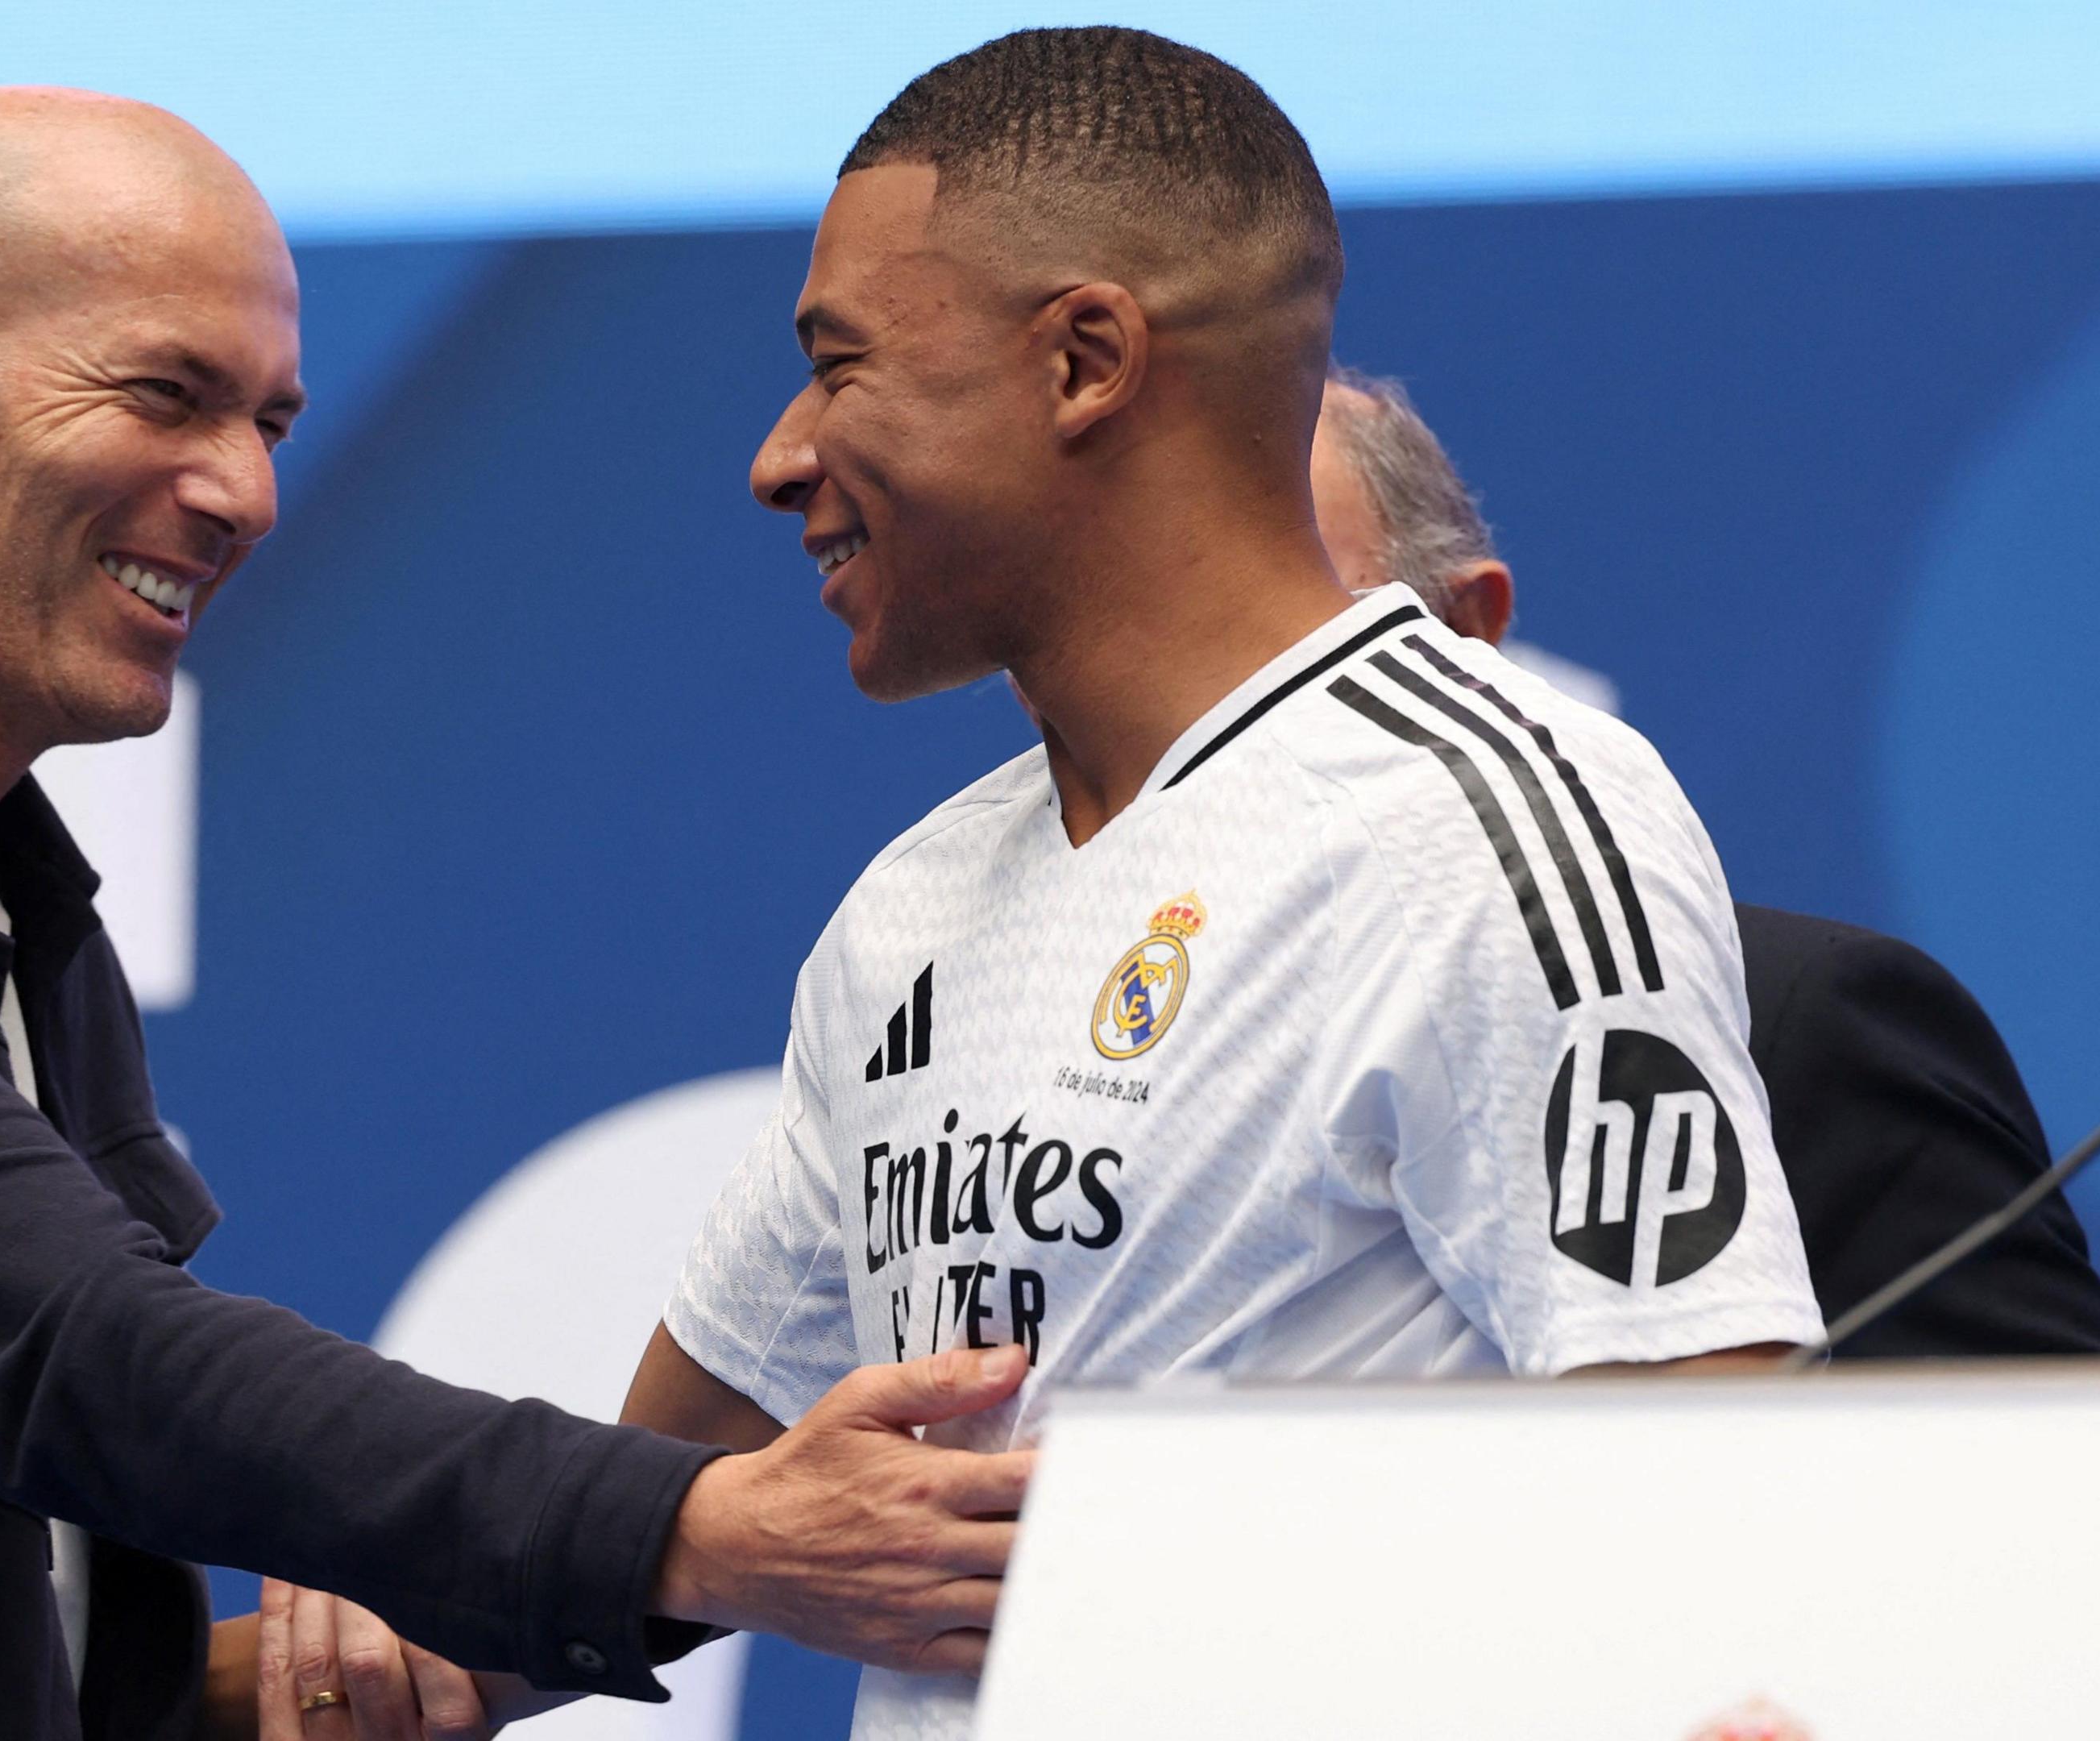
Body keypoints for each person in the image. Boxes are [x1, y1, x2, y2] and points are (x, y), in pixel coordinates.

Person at [0, 89, 1034, 1741]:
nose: (243, 493)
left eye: (273, 424)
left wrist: (312, 1680)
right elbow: (96, 1360)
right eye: (167, 394)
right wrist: (708, 1531)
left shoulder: (6, 897)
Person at [616, 29, 1827, 1739]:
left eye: (841, 362)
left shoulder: (1482, 819)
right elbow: (628, 1532)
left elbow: (1732, 1536)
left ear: (1086, 359)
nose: (780, 453)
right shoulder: (910, 911)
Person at [1309, 365, 2100, 1358]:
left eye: (1284, 632)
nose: (1224, 708)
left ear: (1467, 635)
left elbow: (2033, 1482)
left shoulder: (1799, 1028)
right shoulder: (1085, 989)